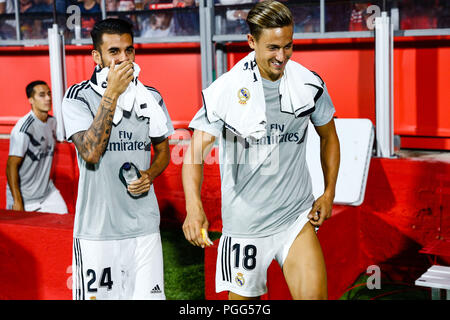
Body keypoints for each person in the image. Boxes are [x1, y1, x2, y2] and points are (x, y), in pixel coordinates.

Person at [182, 0, 340, 300]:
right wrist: (193, 207)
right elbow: (193, 155)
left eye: (288, 46)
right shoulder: (224, 91)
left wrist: (329, 192)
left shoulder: (309, 84)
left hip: (295, 215)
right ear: (251, 42)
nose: (282, 56)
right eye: (272, 48)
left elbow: (329, 137)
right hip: (245, 224)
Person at [61, 18, 174, 300]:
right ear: (96, 57)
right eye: (114, 52)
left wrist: (150, 174)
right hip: (98, 230)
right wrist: (111, 93)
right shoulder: (78, 97)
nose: (124, 59)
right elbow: (90, 152)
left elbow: (163, 151)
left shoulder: (152, 97)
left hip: (144, 227)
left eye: (129, 50)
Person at [6, 80, 68, 214]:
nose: (48, 98)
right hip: (25, 198)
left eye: (49, 94)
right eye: (41, 95)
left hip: (47, 193)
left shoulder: (53, 122)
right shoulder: (23, 129)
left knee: (65, 222)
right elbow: (11, 166)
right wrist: (17, 201)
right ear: (31, 100)